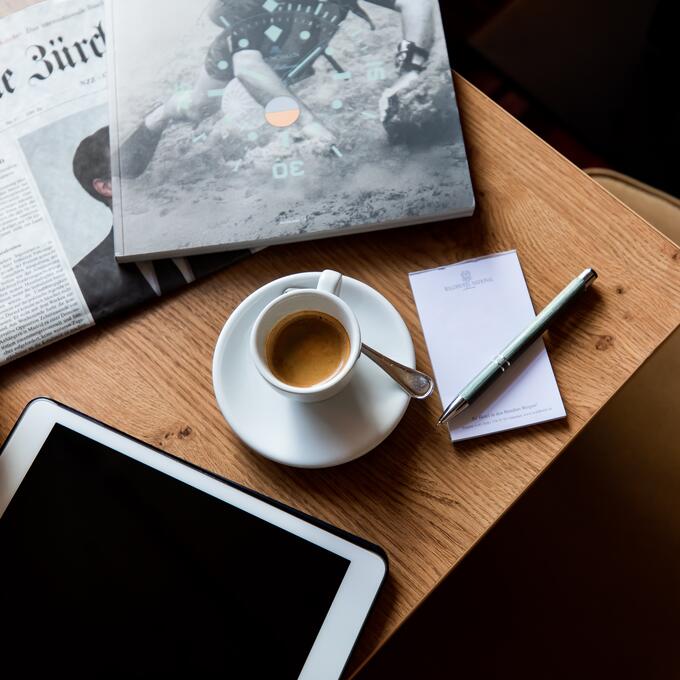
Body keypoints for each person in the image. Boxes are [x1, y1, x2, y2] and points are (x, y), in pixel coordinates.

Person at [118, 0, 436, 178]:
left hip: (301, 53)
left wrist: (410, 72)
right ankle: (159, 116)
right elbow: (247, 67)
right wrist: (308, 124)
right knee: (199, 107)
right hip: (238, 58)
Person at [72, 127, 238, 321]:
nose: (156, 160)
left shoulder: (217, 221)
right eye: (136, 160)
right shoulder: (85, 281)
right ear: (107, 187)